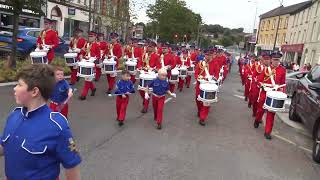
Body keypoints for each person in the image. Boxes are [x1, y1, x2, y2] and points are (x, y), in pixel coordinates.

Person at [0, 64, 81, 179]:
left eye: (19, 84)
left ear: (34, 92)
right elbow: (4, 146)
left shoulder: (57, 126)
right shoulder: (14, 116)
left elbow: (72, 166)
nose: (15, 88)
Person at [254, 52, 286, 140]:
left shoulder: (282, 70)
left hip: (274, 94)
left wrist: (281, 92)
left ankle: (267, 132)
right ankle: (257, 119)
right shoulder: (266, 69)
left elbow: (283, 83)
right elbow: (259, 80)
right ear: (271, 60)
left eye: (278, 60)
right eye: (275, 60)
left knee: (271, 113)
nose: (276, 62)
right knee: (260, 109)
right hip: (265, 92)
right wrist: (262, 85)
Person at [79, 31, 100, 100]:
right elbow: (82, 52)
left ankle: (83, 95)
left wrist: (93, 59)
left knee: (87, 80)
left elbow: (98, 56)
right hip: (85, 63)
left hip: (92, 65)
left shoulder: (96, 45)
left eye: (92, 36)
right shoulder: (86, 44)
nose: (90, 38)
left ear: (95, 37)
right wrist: (81, 56)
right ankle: (93, 89)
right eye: (89, 36)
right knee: (88, 78)